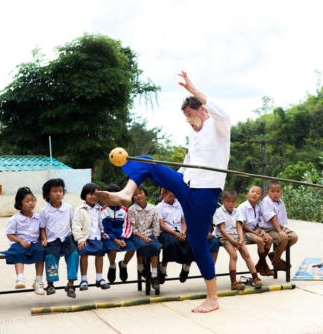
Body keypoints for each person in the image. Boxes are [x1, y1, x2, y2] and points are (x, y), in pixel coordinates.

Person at [96, 71, 230, 313]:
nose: (188, 119)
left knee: (198, 246)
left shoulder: (219, 127)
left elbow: (221, 112)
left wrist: (194, 89)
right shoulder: (193, 135)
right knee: (148, 162)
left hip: (205, 193)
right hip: (185, 185)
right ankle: (127, 193)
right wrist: (165, 184)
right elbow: (187, 165)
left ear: (203, 111)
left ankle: (213, 298)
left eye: (190, 114)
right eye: (185, 116)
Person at [213, 190, 263, 290]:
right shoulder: (219, 212)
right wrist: (233, 241)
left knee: (246, 255)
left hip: (236, 236)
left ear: (236, 202)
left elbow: (239, 227)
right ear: (223, 201)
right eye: (228, 201)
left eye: (233, 201)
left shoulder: (237, 211)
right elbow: (222, 230)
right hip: (224, 237)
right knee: (234, 255)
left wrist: (240, 239)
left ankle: (256, 278)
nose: (231, 204)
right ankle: (233, 283)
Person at [1, 187, 45, 295]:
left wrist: (43, 240)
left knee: (41, 251)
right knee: (18, 252)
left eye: (33, 200)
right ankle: (20, 278)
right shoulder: (14, 219)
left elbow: (41, 231)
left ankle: (38, 281)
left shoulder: (38, 217)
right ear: (20, 203)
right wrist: (21, 241)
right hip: (19, 243)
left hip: (33, 243)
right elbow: (9, 234)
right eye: (27, 201)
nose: (31, 203)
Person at [39, 178, 79, 298]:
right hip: (52, 241)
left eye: (61, 191)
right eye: (55, 191)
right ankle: (50, 284)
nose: (58, 194)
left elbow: (73, 224)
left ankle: (71, 285)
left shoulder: (68, 208)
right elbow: (42, 228)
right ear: (47, 194)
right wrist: (44, 239)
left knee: (74, 255)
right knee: (50, 257)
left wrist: (76, 237)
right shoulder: (44, 211)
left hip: (67, 239)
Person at [72, 183, 110, 291]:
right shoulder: (80, 209)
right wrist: (80, 239)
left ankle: (99, 278)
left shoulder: (101, 209)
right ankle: (84, 279)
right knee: (84, 255)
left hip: (97, 237)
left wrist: (104, 235)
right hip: (85, 238)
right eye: (90, 194)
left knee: (100, 255)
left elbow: (103, 223)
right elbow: (76, 225)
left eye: (96, 194)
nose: (93, 197)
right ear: (84, 195)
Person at [156, 188, 193, 284]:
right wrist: (176, 234)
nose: (169, 194)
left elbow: (183, 222)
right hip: (167, 232)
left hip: (180, 231)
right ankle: (163, 269)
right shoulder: (160, 207)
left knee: (191, 242)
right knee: (171, 243)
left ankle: (186, 268)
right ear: (162, 194)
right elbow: (162, 225)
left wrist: (183, 232)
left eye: (171, 191)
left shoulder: (179, 205)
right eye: (166, 192)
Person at [128, 185, 161, 291]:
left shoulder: (153, 208)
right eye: (135, 194)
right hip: (137, 235)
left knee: (155, 248)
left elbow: (156, 226)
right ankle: (141, 268)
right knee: (141, 246)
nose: (138, 196)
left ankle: (155, 275)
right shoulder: (131, 210)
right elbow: (133, 228)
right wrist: (143, 237)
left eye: (140, 193)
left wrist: (155, 238)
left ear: (145, 194)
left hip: (150, 234)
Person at [101, 184, 136, 284]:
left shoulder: (125, 210)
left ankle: (123, 265)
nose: (114, 199)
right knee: (112, 249)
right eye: (110, 196)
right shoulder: (103, 211)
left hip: (123, 238)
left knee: (132, 249)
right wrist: (115, 240)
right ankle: (112, 265)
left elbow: (127, 227)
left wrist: (122, 239)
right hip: (109, 238)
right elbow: (103, 229)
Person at [259, 182, 298, 270]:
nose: (275, 193)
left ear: (281, 193)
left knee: (294, 237)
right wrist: (280, 231)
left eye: (278, 191)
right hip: (267, 228)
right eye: (272, 191)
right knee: (284, 238)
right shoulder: (266, 201)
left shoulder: (280, 202)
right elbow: (271, 218)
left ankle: (275, 255)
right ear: (267, 193)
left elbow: (281, 220)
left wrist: (281, 229)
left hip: (278, 227)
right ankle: (277, 261)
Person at [238, 185, 273, 276]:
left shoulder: (257, 208)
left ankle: (260, 265)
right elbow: (244, 225)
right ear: (247, 194)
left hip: (253, 230)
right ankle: (264, 265)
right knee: (260, 240)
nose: (254, 194)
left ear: (261, 197)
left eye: (257, 193)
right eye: (252, 191)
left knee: (269, 239)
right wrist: (255, 233)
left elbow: (256, 223)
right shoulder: (243, 207)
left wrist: (261, 230)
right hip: (244, 231)